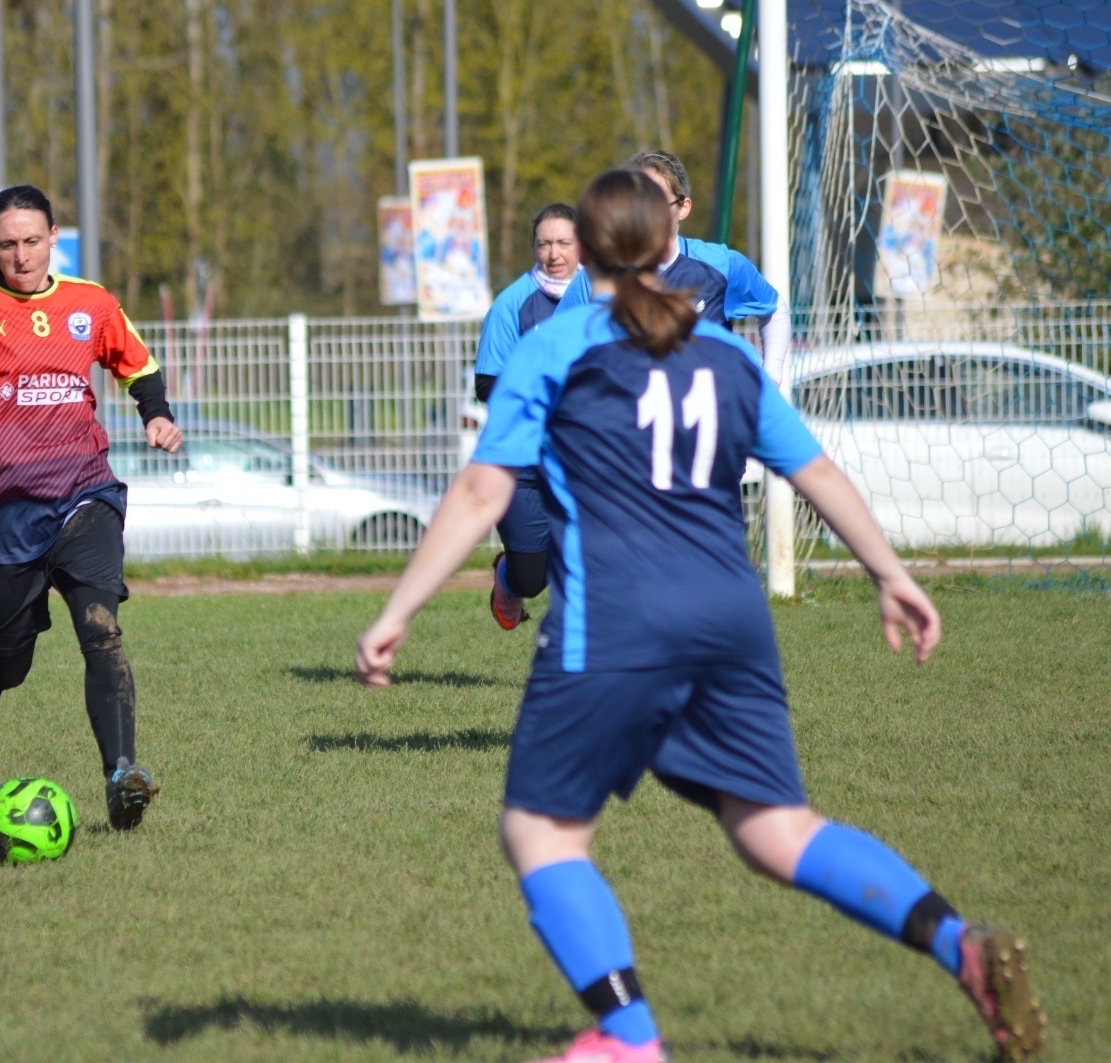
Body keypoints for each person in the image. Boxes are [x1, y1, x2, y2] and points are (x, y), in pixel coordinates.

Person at [356, 170, 1044, 1063]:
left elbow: (484, 490)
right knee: (776, 830)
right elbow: (815, 470)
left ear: (588, 252)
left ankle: (628, 1037)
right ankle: (960, 945)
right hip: (731, 618)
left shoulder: (555, 345)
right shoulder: (725, 351)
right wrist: (890, 572)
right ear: (664, 244)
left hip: (616, 615)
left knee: (540, 830)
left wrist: (398, 609)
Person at [0, 184, 182, 831]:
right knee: (11, 660)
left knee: (101, 629)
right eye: (7, 244)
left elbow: (139, 366)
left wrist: (156, 414)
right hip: (1, 513)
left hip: (84, 494)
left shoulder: (90, 303)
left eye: (31, 241)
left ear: (53, 239)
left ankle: (122, 775)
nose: (21, 256)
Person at [485, 150, 794, 629]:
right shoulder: (595, 280)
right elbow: (559, 356)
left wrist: (769, 382)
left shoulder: (720, 265)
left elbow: (774, 310)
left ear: (683, 207)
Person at [471, 204, 579, 630]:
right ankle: (508, 577)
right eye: (544, 243)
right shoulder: (512, 304)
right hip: (524, 460)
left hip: (583, 459)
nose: (554, 253)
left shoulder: (602, 297)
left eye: (564, 242)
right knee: (532, 578)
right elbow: (487, 384)